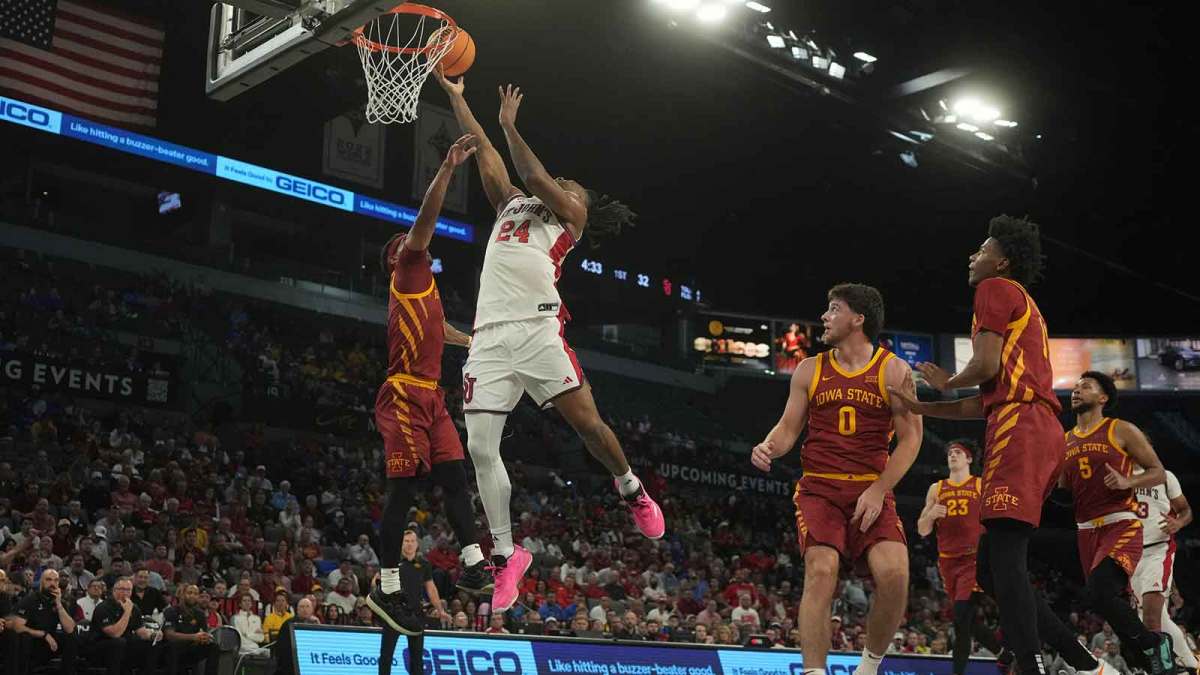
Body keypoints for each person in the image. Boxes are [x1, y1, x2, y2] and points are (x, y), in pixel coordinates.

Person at [434, 70, 663, 613]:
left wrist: (511, 123)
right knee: (480, 448)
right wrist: (456, 98)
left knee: (587, 424)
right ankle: (508, 554)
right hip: (488, 337)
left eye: (570, 186)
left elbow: (534, 173)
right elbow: (487, 151)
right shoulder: (509, 204)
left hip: (538, 330)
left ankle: (631, 486)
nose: (564, 185)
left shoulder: (571, 218)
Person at [888, 216, 1106, 675]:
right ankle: (1082, 662)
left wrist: (947, 382)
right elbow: (984, 400)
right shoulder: (1022, 303)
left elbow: (984, 368)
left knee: (1003, 557)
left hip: (1021, 426)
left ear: (1001, 260)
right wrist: (924, 407)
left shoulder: (995, 289)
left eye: (981, 249)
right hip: (1034, 427)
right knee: (991, 566)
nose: (972, 256)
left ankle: (1031, 665)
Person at [751, 283, 922, 675]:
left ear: (858, 319)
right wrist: (768, 446)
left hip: (870, 487)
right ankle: (813, 672)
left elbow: (912, 441)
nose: (825, 317)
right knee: (822, 570)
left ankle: (868, 667)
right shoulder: (810, 368)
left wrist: (879, 490)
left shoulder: (894, 369)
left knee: (896, 575)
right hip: (820, 487)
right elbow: (788, 429)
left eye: (834, 309)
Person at [367, 133, 493, 641]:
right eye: (404, 239)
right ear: (395, 258)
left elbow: (444, 333)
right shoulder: (408, 269)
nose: (412, 238)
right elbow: (425, 221)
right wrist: (446, 168)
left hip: (433, 396)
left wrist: (480, 340)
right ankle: (387, 584)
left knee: (455, 477)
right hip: (402, 395)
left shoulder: (426, 292)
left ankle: (472, 563)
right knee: (404, 490)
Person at [1061, 372, 1176, 675]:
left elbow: (1158, 471)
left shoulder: (1120, 429)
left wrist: (1128, 480)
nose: (1076, 390)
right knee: (1106, 604)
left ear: (1103, 398)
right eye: (1075, 387)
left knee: (1099, 592)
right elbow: (1063, 489)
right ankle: (1150, 659)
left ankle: (1154, 643)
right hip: (1086, 531)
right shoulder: (1065, 440)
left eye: (1085, 386)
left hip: (1120, 524)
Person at [916, 439, 1005, 675]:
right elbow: (922, 530)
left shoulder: (980, 484)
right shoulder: (937, 488)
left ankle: (957, 672)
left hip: (974, 559)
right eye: (950, 453)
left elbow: (995, 519)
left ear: (968, 459)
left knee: (961, 616)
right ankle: (1004, 653)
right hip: (947, 561)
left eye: (958, 452)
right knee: (965, 620)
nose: (952, 455)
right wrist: (930, 515)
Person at [1130, 462, 1195, 673]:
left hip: (1158, 549)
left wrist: (1179, 523)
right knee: (1153, 618)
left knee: (1151, 618)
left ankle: (1167, 668)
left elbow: (1186, 511)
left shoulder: (1165, 476)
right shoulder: (1117, 478)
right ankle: (1190, 664)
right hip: (1130, 554)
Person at [6, 568, 79, 675]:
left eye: (56, 580)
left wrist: (58, 605)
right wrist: (43, 634)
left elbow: (70, 629)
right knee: (24, 638)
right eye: (48, 580)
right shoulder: (30, 599)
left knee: (71, 637)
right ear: (41, 582)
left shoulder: (59, 602)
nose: (52, 583)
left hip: (50, 643)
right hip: (33, 642)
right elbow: (17, 626)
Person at [88, 576, 162, 675]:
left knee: (150, 644)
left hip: (124, 645)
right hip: (101, 646)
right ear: (114, 590)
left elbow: (141, 631)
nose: (126, 593)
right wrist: (127, 612)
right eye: (122, 589)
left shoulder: (133, 607)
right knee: (119, 642)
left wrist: (153, 635)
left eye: (129, 590)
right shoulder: (103, 607)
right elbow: (115, 633)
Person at [162, 584, 219, 675]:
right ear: (182, 594)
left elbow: (202, 633)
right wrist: (193, 637)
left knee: (213, 646)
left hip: (191, 649)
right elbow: (169, 635)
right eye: (189, 593)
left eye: (196, 594)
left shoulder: (200, 614)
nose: (193, 596)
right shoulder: (171, 611)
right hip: (173, 649)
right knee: (172, 646)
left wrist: (205, 638)